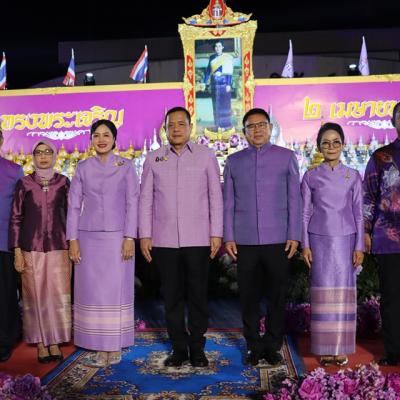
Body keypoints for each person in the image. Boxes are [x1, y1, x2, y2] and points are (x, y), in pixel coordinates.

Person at [139, 106, 223, 367]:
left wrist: (216, 233)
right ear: (165, 130)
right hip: (164, 240)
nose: (176, 129)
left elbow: (215, 197)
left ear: (190, 127)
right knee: (171, 297)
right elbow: (145, 200)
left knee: (198, 296)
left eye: (181, 124)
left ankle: (197, 348)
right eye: (171, 125)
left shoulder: (206, 156)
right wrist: (145, 235)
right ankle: (178, 349)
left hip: (198, 238)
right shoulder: (153, 158)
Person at [223, 108, 301, 366]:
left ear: (270, 128)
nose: (256, 130)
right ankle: (253, 345)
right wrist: (228, 236)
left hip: (279, 238)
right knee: (249, 296)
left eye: (261, 125)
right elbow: (228, 203)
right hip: (245, 239)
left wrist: (294, 234)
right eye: (251, 126)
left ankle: (273, 344)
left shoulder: (286, 157)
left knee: (277, 295)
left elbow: (295, 199)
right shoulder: (233, 161)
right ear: (244, 132)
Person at [67, 119, 139, 368]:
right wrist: (72, 239)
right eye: (96, 135)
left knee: (115, 291)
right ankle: (99, 344)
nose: (101, 139)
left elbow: (133, 203)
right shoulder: (83, 167)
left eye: (106, 135)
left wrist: (129, 237)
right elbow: (73, 206)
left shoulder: (126, 166)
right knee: (93, 291)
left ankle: (114, 344)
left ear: (114, 139)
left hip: (118, 237)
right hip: (87, 237)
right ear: (91, 140)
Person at [301, 123, 364, 367]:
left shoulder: (353, 176)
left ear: (343, 145)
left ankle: (341, 348)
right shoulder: (311, 176)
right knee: (322, 294)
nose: (331, 146)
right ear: (319, 147)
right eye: (326, 143)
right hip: (318, 241)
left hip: (347, 241)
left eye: (336, 142)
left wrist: (359, 246)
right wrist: (305, 245)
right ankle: (325, 349)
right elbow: (305, 213)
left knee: (344, 295)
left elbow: (358, 214)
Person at [9, 139, 71, 363]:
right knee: (35, 295)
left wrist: (74, 243)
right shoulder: (24, 183)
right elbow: (16, 218)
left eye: (47, 152)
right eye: (38, 152)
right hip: (30, 248)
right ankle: (41, 342)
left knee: (56, 294)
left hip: (59, 247)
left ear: (54, 155)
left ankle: (55, 340)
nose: (43, 156)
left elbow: (72, 216)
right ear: (33, 157)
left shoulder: (63, 182)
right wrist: (17, 251)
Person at [363, 101, 400, 366]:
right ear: (393, 122)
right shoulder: (381, 157)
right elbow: (368, 196)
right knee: (392, 298)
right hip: (390, 239)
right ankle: (394, 351)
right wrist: (366, 230)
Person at [0, 128, 23, 362]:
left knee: (5, 295)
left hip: (3, 243)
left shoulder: (14, 170)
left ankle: (5, 340)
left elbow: (19, 212)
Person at [203, 40, 233, 130]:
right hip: (214, 83)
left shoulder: (227, 57)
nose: (217, 48)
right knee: (215, 104)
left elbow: (229, 72)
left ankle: (225, 125)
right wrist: (204, 82)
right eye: (216, 46)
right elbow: (208, 71)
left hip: (224, 83)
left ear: (222, 47)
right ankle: (217, 125)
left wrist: (228, 84)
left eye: (219, 46)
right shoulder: (212, 57)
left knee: (224, 104)